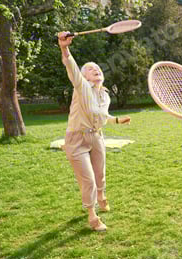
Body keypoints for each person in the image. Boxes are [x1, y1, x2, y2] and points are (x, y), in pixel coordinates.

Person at [58, 32, 131, 232]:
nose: (96, 69)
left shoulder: (104, 95)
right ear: (84, 76)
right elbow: (71, 67)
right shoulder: (81, 87)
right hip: (76, 139)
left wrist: (116, 120)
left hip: (96, 136)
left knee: (100, 174)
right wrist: (64, 48)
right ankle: (92, 214)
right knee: (88, 179)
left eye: (97, 67)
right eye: (90, 69)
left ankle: (101, 196)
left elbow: (101, 115)